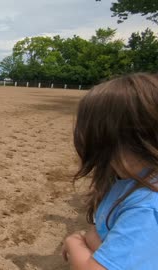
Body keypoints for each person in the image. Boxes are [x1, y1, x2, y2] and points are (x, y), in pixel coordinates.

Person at [62, 73, 158, 270]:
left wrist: (74, 242)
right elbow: (105, 233)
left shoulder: (146, 206)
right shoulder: (128, 180)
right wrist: (93, 240)